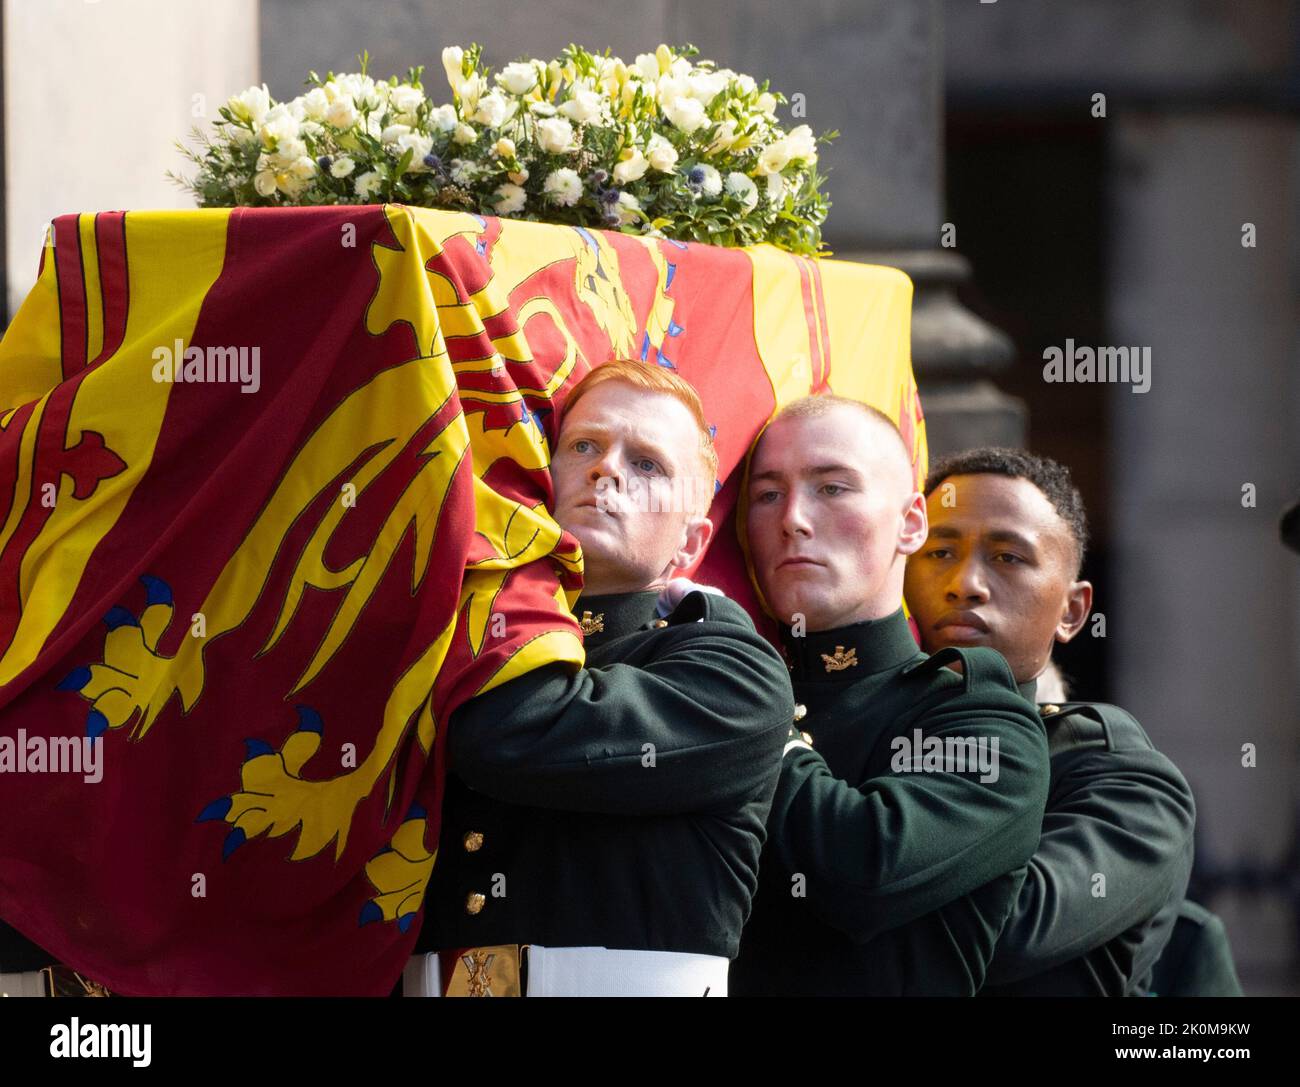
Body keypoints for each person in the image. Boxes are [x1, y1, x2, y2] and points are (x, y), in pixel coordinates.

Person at [406, 359, 795, 997]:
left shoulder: (735, 670)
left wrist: (508, 557)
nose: (605, 468)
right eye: (583, 445)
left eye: (646, 463)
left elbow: (515, 729)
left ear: (691, 544)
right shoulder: (450, 632)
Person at [729, 396, 1050, 996]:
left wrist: (740, 704)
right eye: (767, 494)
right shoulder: (709, 683)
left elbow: (863, 872)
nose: (792, 518)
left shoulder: (979, 721)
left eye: (832, 489)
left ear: (911, 524)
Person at [904, 447, 1200, 996]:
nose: (965, 583)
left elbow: (1006, 932)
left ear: (1072, 611)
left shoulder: (1127, 782)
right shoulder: (870, 726)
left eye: (1009, 557)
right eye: (939, 551)